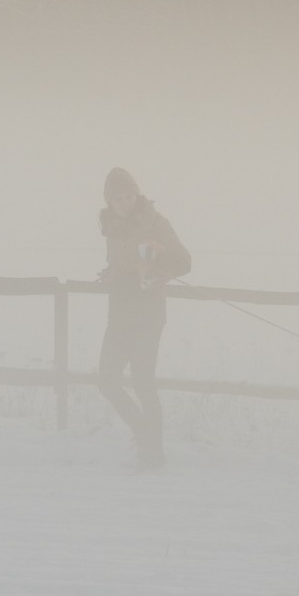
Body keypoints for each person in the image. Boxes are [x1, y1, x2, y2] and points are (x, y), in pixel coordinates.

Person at [97, 167, 191, 470]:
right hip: (120, 312)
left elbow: (184, 262)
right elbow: (122, 263)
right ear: (109, 202)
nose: (125, 202)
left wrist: (155, 258)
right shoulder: (112, 228)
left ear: (137, 195)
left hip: (149, 313)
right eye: (118, 198)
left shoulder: (157, 223)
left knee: (143, 382)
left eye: (129, 196)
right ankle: (146, 437)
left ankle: (153, 454)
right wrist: (112, 273)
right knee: (106, 379)